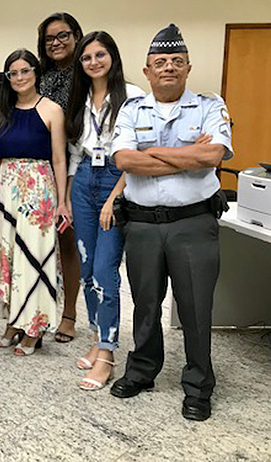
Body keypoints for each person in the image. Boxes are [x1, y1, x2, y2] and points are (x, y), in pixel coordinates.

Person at [109, 24, 233, 422]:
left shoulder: (211, 106)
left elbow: (213, 157)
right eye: (159, 62)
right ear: (146, 71)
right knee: (145, 304)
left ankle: (198, 387)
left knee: (195, 308)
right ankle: (143, 371)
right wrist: (183, 154)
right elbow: (125, 162)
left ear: (188, 68)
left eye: (176, 62)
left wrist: (152, 154)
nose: (168, 68)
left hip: (193, 224)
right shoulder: (131, 109)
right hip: (142, 226)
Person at [65, 31, 145, 389]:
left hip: (117, 179)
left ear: (112, 56)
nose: (93, 62)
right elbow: (73, 151)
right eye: (86, 57)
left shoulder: (133, 97)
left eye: (100, 55)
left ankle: (108, 355)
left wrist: (115, 197)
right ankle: (98, 338)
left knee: (104, 271)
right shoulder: (79, 97)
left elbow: (138, 153)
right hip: (83, 179)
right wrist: (67, 195)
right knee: (86, 268)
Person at [0, 49, 67, 356]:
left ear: (35, 73)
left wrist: (62, 202)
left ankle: (34, 327)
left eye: (24, 71)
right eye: (13, 73)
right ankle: (13, 323)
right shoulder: (2, 111)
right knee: (8, 260)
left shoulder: (52, 110)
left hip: (38, 192)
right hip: (5, 192)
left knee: (33, 258)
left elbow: (59, 158)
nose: (19, 78)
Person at [37, 12, 84, 344]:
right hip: (37, 168)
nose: (56, 43)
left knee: (68, 240)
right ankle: (36, 311)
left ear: (77, 36)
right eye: (49, 38)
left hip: (73, 165)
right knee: (38, 243)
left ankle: (69, 313)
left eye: (62, 35)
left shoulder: (86, 73)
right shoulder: (38, 76)